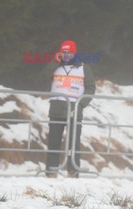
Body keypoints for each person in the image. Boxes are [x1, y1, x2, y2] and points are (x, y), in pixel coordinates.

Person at [45, 40, 96, 178]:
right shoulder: (55, 66)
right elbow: (44, 77)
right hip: (56, 109)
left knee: (73, 143)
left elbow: (91, 87)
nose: (66, 55)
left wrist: (81, 104)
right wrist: (54, 62)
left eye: (69, 52)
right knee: (53, 142)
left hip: (74, 110)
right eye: (64, 52)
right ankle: (51, 172)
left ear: (74, 53)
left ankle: (72, 172)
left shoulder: (84, 68)